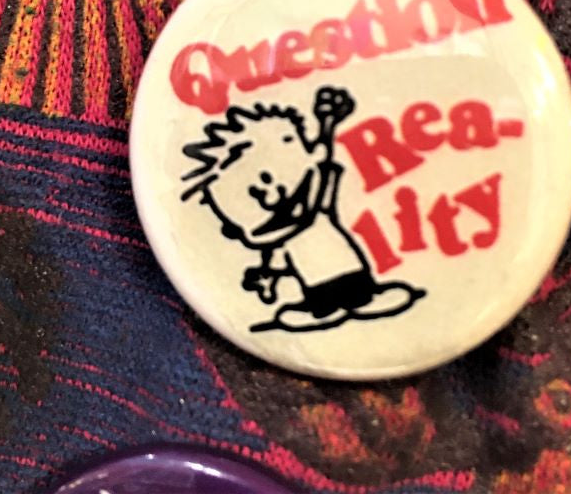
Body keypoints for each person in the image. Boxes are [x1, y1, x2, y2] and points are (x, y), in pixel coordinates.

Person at [180, 86, 425, 332]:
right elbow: (320, 162)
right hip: (316, 290)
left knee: (357, 295)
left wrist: (327, 125)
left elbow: (320, 163)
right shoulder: (295, 220)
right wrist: (267, 277)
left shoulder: (314, 203)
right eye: (256, 190)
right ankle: (332, 307)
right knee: (331, 303)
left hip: (351, 278)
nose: (272, 192)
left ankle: (357, 300)